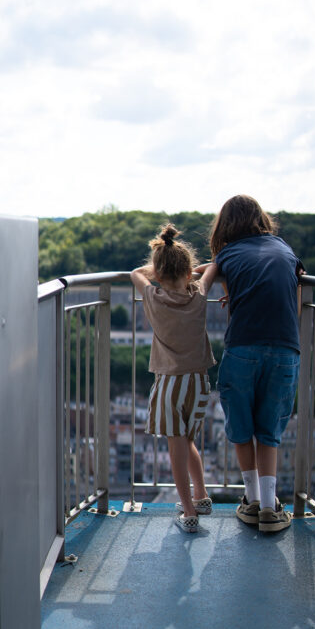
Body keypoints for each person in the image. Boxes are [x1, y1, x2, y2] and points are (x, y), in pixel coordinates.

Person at [210, 194, 304, 533]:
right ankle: (269, 508)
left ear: (225, 226)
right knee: (269, 431)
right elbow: (286, 291)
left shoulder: (227, 255)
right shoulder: (285, 250)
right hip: (284, 347)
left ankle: (249, 500)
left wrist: (234, 293)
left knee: (241, 427)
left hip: (243, 347)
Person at [131, 223, 218, 533]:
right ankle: (202, 496)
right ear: (188, 272)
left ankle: (189, 513)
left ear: (159, 275)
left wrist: (156, 269)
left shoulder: (154, 298)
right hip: (199, 382)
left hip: (170, 383)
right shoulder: (199, 296)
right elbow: (212, 268)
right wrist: (193, 272)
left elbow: (135, 275)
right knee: (188, 441)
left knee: (175, 448)